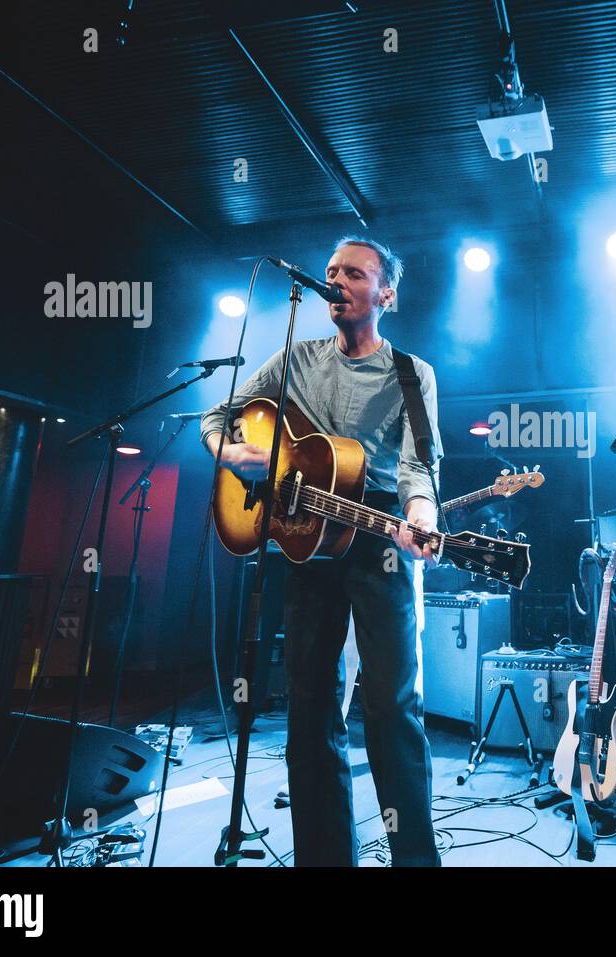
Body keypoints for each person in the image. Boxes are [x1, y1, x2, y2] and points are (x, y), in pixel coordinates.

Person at [201, 237, 442, 866]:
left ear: (385, 294)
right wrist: (243, 456)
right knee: (308, 707)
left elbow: (419, 468)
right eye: (331, 272)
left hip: (378, 539)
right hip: (304, 543)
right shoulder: (294, 358)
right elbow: (216, 418)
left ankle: (414, 858)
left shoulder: (413, 374)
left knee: (391, 709)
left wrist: (420, 516)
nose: (336, 281)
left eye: (354, 274)